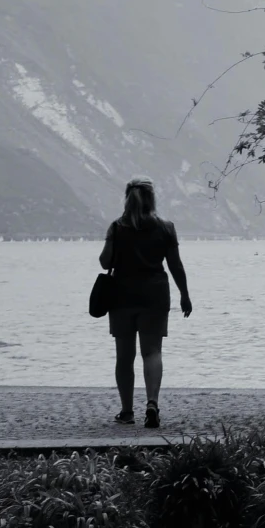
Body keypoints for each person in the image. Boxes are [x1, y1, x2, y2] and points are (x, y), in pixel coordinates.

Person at [99, 177, 191, 427]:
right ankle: (152, 403)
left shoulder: (117, 228)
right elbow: (175, 265)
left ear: (127, 199)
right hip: (155, 295)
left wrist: (112, 239)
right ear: (152, 199)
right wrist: (184, 294)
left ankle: (127, 412)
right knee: (152, 352)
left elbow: (105, 263)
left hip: (122, 296)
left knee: (124, 356)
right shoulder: (166, 227)